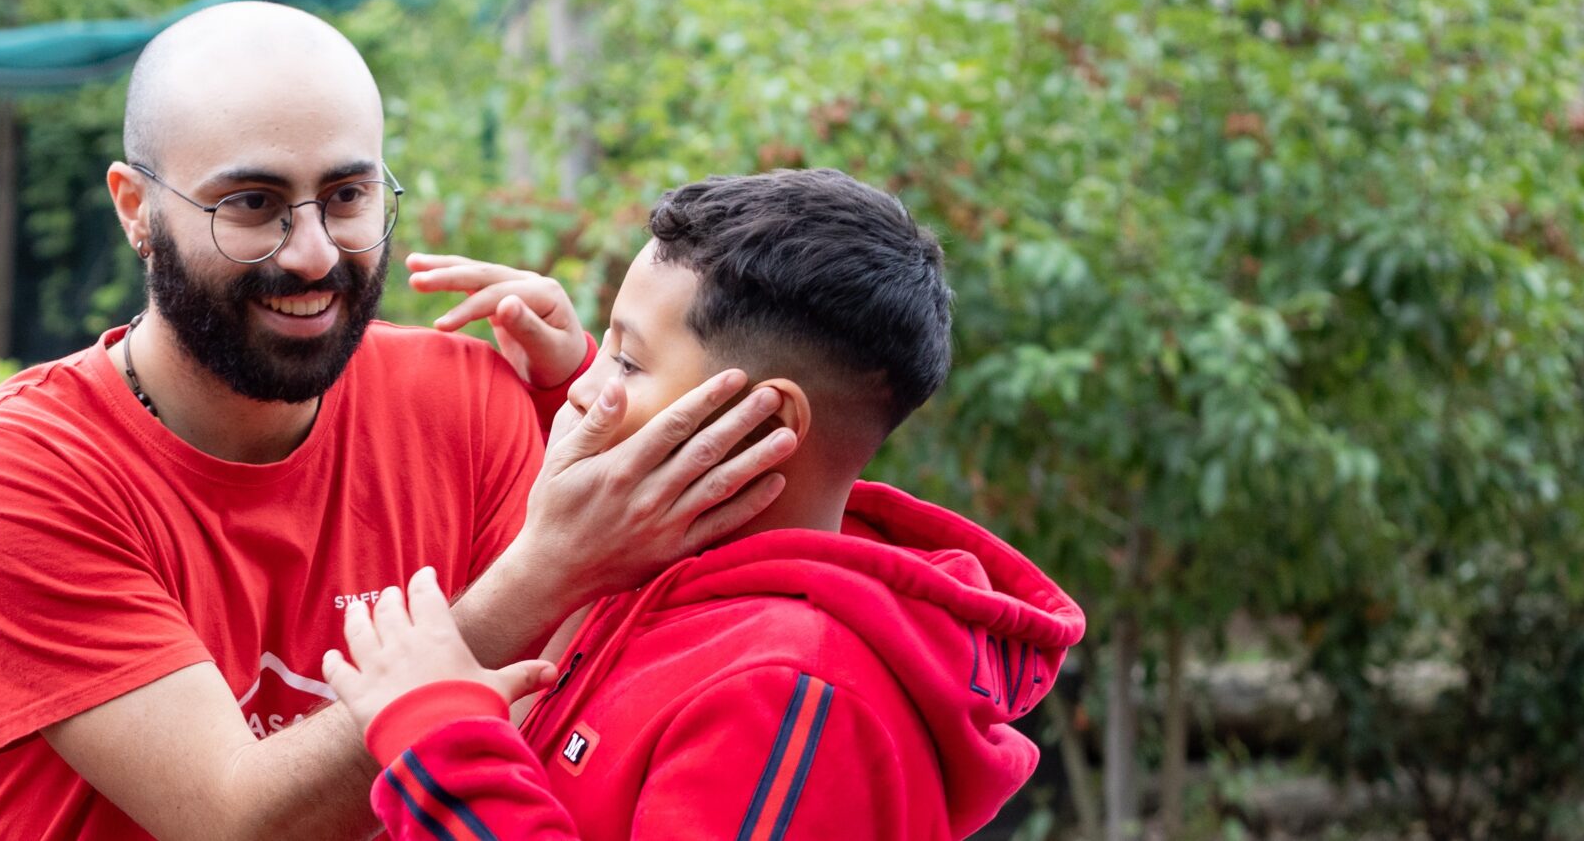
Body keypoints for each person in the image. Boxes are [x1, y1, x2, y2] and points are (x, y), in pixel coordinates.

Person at [0, 2, 802, 841]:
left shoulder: (467, 399)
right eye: (250, 205)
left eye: (347, 196)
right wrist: (545, 571)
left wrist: (587, 390)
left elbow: (562, 725)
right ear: (137, 209)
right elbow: (235, 818)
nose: (312, 254)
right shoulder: (13, 475)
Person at [321, 168, 1089, 841]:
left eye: (628, 357)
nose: (590, 391)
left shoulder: (793, 688)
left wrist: (444, 745)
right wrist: (580, 375)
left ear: (768, 423)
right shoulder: (676, 571)